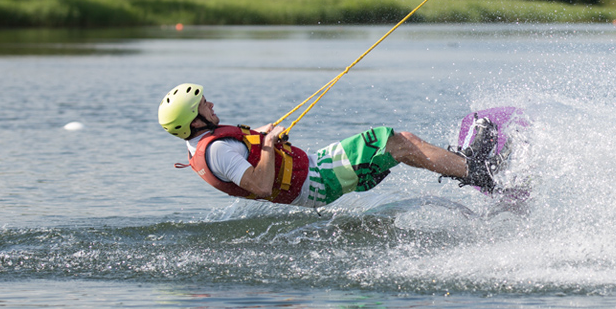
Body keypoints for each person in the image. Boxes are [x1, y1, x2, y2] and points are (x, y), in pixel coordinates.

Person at [158, 83, 499, 208]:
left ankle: (464, 168)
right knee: (397, 141)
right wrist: (269, 145)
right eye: (204, 105)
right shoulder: (217, 151)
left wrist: (260, 136)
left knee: (396, 148)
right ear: (195, 120)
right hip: (318, 181)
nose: (211, 104)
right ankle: (477, 170)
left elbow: (245, 153)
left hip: (317, 169)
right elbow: (260, 186)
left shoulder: (206, 143)